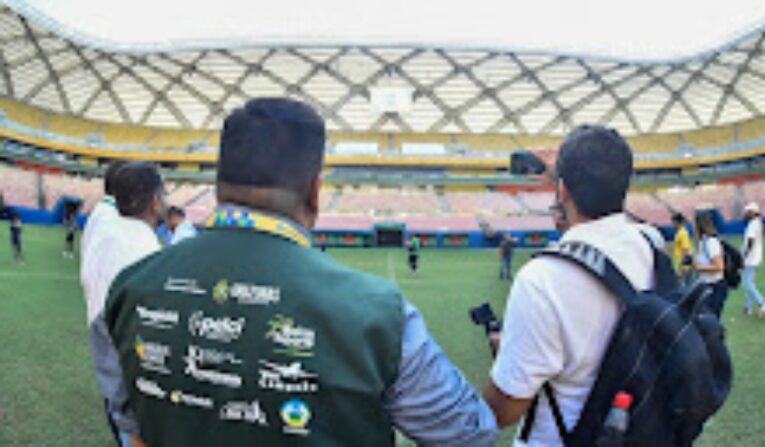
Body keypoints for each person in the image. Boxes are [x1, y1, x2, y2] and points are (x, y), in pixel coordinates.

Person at [104, 98, 497, 447]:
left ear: (218, 184)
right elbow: (472, 433)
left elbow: (127, 420)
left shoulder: (128, 286)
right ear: (314, 190)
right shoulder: (380, 313)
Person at [484, 125, 656, 446]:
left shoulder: (543, 278)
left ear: (561, 190)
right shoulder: (652, 246)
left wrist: (505, 351)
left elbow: (504, 410)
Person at [82, 162, 165, 447]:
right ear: (155, 202)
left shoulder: (105, 230)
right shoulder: (144, 252)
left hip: (111, 379)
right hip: (131, 402)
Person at [693, 212, 727, 319]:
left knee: (711, 320)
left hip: (715, 287)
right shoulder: (702, 242)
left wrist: (699, 267)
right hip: (706, 285)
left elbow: (719, 266)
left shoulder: (711, 242)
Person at [742, 202, 765, 318]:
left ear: (753, 213)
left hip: (751, 258)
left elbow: (750, 241)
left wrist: (745, 256)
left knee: (747, 283)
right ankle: (748, 307)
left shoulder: (753, 224)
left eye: (748, 212)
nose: (745, 214)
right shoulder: (758, 223)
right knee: (750, 282)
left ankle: (762, 301)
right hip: (757, 257)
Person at [672, 213, 694, 286]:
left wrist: (682, 268)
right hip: (681, 264)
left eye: (673, 222)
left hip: (684, 266)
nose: (673, 224)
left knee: (686, 287)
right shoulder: (679, 233)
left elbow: (686, 251)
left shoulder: (683, 233)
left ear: (677, 222)